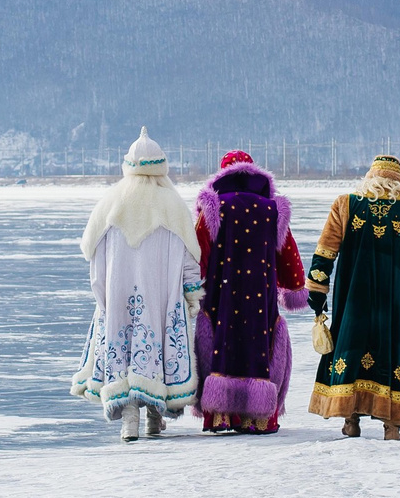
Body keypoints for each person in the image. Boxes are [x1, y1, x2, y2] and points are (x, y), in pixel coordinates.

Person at [71, 129, 202, 441]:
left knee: (124, 352)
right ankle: (154, 417)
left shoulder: (110, 202)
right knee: (157, 351)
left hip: (117, 297)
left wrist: (103, 298)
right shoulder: (172, 204)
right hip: (161, 298)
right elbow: (190, 258)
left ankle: (129, 420)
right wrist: (191, 295)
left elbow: (93, 256)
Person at [306, 154, 400, 440]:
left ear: (369, 178)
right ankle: (392, 426)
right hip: (395, 304)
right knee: (393, 353)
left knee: (352, 349)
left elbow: (324, 255)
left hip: (353, 300)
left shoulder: (345, 204)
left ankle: (351, 420)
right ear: (399, 182)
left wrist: (317, 294)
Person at [192, 149, 310, 434]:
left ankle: (220, 415)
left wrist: (189, 287)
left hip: (221, 297)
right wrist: (294, 286)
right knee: (259, 346)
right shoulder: (273, 210)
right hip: (261, 298)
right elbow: (288, 255)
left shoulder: (214, 207)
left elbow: (198, 253)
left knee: (221, 346)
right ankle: (256, 418)